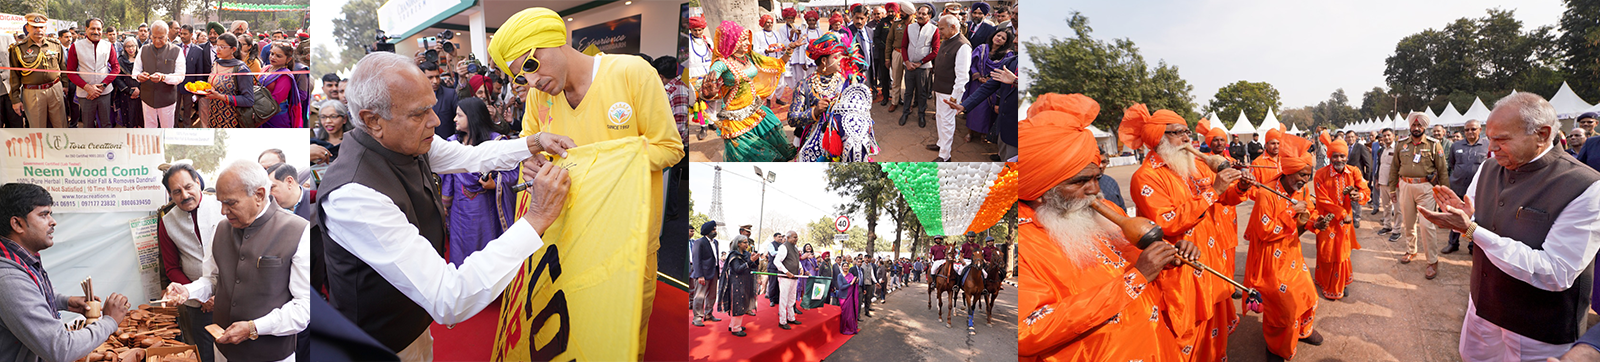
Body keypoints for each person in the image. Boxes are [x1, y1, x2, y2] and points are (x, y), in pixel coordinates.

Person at [317, 51, 574, 357]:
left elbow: (472, 157)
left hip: (414, 324)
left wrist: (535, 141)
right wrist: (536, 219)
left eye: (432, 107)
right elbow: (448, 298)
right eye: (419, 113)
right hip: (378, 346)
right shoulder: (353, 196)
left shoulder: (404, 139)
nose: (436, 121)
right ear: (372, 120)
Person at [488, 16, 685, 338]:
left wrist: (598, 161)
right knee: (575, 330)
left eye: (533, 63)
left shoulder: (631, 73)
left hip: (626, 234)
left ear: (556, 40)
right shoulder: (540, 98)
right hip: (566, 235)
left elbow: (669, 148)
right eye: (521, 74)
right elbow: (530, 147)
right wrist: (531, 163)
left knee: (622, 332)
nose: (533, 80)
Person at [1417, 92, 1600, 362]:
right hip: (1483, 305)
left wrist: (1471, 230)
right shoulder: (1489, 167)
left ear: (1542, 134)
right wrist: (1469, 217)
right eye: (1489, 138)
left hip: (1538, 327)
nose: (1491, 148)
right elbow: (1476, 220)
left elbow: (1556, 273)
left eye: (1501, 139)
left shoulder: (1585, 186)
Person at [1014, 93, 1182, 360]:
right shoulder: (1022, 242)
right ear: (1040, 190)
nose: (1095, 190)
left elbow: (1139, 267)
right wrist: (1134, 279)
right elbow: (1026, 330)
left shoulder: (1108, 213)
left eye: (1097, 178)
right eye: (1080, 182)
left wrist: (1164, 259)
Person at [1119, 102, 1244, 361]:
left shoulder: (1193, 166)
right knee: (1188, 334)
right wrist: (1215, 190)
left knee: (1215, 330)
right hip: (1182, 268)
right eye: (1179, 132)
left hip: (1211, 259)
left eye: (1187, 131)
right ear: (1159, 138)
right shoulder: (1145, 177)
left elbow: (1223, 199)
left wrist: (1239, 186)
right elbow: (1167, 222)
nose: (1188, 138)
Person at [162, 160, 310, 362]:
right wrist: (188, 291)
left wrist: (254, 328)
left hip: (272, 356)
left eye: (230, 203)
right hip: (223, 352)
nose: (223, 211)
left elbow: (304, 307)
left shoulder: (298, 231)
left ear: (259, 195)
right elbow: (213, 280)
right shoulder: (221, 228)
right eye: (221, 202)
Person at [0, 183, 133, 362]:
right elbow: (61, 348)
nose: (53, 221)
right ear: (17, 223)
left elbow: (32, 294)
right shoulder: (8, 279)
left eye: (50, 214)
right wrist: (110, 321)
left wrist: (64, 301)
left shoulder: (23, 260)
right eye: (43, 215)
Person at [1240, 132, 1323, 361]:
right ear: (1287, 171)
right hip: (1270, 257)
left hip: (1292, 252)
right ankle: (1275, 346)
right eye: (1300, 175)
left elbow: (1308, 215)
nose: (1304, 180)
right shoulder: (1266, 193)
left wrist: (1316, 222)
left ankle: (1303, 331)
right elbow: (1265, 231)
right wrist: (1291, 212)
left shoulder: (1303, 190)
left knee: (1308, 294)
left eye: (1307, 175)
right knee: (1282, 306)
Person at [694, 20, 796, 162]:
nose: (748, 43)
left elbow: (777, 64)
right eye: (743, 41)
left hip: (755, 109)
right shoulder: (721, 64)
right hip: (735, 117)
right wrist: (708, 91)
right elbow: (708, 87)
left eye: (747, 40)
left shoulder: (749, 56)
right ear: (732, 41)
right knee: (755, 155)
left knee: (775, 130)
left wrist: (791, 49)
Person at [156, 163, 223, 362]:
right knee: (206, 352)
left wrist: (219, 295)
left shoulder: (221, 206)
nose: (185, 195)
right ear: (169, 194)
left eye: (188, 187)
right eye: (177, 191)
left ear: (197, 182)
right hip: (198, 305)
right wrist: (201, 297)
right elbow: (172, 268)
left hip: (231, 297)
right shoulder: (167, 221)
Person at [791, 35, 878, 162]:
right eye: (836, 57)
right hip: (815, 141)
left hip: (842, 140)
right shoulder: (804, 85)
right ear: (824, 62)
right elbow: (792, 119)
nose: (841, 60)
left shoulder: (846, 80)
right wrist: (814, 112)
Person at [1389, 112, 1450, 279]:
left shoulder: (1433, 145)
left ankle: (1432, 260)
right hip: (1405, 186)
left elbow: (1442, 170)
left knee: (1426, 225)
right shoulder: (1401, 144)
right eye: (1414, 125)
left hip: (1426, 188)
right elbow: (1394, 168)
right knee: (1408, 222)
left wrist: (1445, 194)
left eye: (1419, 125)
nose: (1416, 128)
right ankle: (1411, 250)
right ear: (1410, 126)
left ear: (1425, 127)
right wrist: (1392, 189)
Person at [1312, 131, 1370, 301]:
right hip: (1326, 220)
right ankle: (1326, 283)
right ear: (1330, 157)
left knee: (1343, 252)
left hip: (1345, 222)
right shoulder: (1320, 174)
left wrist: (1358, 196)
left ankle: (1342, 282)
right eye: (1335, 156)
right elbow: (1323, 200)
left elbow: (1365, 190)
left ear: (1347, 156)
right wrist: (1342, 213)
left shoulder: (1353, 172)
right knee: (1327, 252)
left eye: (1342, 156)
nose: (1338, 160)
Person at [9, 14, 68, 127]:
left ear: (45, 28)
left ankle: (61, 145)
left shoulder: (54, 45)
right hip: (33, 92)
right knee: (38, 128)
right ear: (27, 28)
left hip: (55, 88)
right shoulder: (18, 49)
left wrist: (65, 85)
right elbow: (14, 76)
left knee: (60, 125)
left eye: (41, 27)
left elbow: (62, 66)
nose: (38, 30)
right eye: (34, 27)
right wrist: (15, 99)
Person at [926, 15, 970, 162]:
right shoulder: (948, 40)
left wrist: (954, 98)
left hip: (949, 93)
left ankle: (945, 156)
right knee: (940, 117)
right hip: (940, 87)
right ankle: (941, 143)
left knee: (947, 122)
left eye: (942, 28)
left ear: (953, 27)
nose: (939, 31)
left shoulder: (962, 46)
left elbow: (962, 77)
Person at [1443, 119, 1488, 254]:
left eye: (1473, 129)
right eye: (1467, 129)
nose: (1470, 132)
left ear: (1480, 130)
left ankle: (1473, 246)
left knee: (1477, 218)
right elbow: (1452, 164)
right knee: (1455, 216)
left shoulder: (1487, 146)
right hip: (1458, 187)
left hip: (1478, 190)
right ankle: (1453, 243)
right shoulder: (1456, 146)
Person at [65, 18, 120, 128]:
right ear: (86, 29)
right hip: (85, 93)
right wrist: (87, 87)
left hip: (104, 91)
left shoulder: (108, 45)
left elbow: (116, 68)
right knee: (88, 124)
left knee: (106, 123)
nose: (96, 32)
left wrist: (104, 85)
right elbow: (70, 72)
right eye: (93, 28)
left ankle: (106, 144)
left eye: (99, 29)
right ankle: (89, 145)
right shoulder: (76, 46)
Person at [198, 33, 256, 128]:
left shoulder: (241, 69)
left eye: (222, 47)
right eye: (217, 46)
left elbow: (248, 100)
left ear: (233, 49)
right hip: (213, 115)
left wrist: (220, 96)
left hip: (231, 119)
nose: (217, 49)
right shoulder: (216, 63)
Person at [899, 4, 937, 128]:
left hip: (923, 67)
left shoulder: (934, 29)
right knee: (908, 92)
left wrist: (920, 62)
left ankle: (921, 114)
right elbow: (903, 46)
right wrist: (907, 61)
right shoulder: (910, 27)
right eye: (919, 13)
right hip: (909, 66)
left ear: (929, 16)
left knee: (922, 93)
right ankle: (905, 113)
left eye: (924, 14)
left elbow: (935, 51)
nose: (920, 15)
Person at [718, 234, 757, 337]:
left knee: (742, 303)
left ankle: (733, 325)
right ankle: (736, 328)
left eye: (747, 242)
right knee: (737, 304)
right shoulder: (733, 255)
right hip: (736, 283)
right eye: (744, 242)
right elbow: (738, 269)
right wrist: (750, 261)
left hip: (744, 282)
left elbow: (751, 266)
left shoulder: (746, 254)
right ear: (738, 244)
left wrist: (754, 260)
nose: (747, 244)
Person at [259, 42, 305, 128]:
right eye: (272, 54)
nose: (273, 57)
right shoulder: (266, 68)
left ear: (288, 59)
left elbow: (276, 99)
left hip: (276, 117)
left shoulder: (285, 75)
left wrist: (255, 110)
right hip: (260, 113)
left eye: (278, 56)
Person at [770, 231, 802, 329]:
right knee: (784, 299)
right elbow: (776, 261)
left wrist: (801, 268)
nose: (796, 239)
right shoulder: (783, 247)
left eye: (797, 237)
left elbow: (797, 261)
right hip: (785, 277)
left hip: (794, 277)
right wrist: (786, 271)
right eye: (794, 237)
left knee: (792, 298)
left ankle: (791, 318)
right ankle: (782, 321)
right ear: (788, 238)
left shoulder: (795, 248)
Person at [691, 221, 721, 327]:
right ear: (708, 231)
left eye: (715, 229)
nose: (715, 231)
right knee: (699, 296)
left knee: (712, 295)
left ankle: (708, 314)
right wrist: (699, 275)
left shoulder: (716, 242)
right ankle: (697, 318)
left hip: (714, 272)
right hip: (702, 274)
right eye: (713, 229)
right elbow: (696, 259)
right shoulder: (699, 242)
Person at [836, 254, 861, 335]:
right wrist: (851, 283)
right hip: (843, 297)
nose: (846, 267)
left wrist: (855, 282)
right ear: (842, 267)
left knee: (850, 314)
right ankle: (843, 328)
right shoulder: (840, 276)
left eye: (847, 266)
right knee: (844, 313)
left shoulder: (850, 275)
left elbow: (854, 284)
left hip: (850, 297)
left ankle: (850, 328)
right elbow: (841, 287)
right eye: (844, 266)